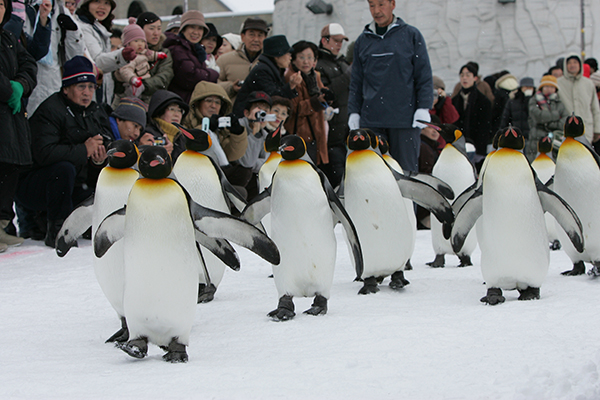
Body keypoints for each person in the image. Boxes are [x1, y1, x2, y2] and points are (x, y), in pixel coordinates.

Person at [15, 56, 111, 248]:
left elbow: (109, 141)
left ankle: (91, 226)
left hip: (73, 185)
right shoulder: (51, 110)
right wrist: (83, 149)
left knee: (102, 184)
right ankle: (58, 230)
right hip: (33, 186)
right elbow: (44, 153)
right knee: (63, 169)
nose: (87, 92)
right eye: (81, 87)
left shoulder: (95, 111)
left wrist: (99, 159)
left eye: (91, 87)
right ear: (66, 88)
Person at [348, 0, 433, 173]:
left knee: (406, 174)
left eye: (381, 4)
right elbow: (356, 81)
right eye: (372, 5)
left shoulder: (410, 35)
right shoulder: (363, 41)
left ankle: (409, 202)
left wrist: (424, 107)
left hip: (404, 120)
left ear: (392, 4)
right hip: (372, 120)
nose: (376, 11)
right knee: (374, 174)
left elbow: (423, 75)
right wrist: (354, 111)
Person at [0, 0, 37, 252]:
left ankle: (1, 225)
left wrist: (21, 85)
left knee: (9, 167)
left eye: (1, 4)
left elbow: (29, 64)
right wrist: (7, 89)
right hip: (5, 110)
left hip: (10, 118)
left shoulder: (8, 38)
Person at [24, 0, 87, 115]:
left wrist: (73, 32)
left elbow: (74, 57)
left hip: (52, 80)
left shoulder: (61, 10)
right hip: (25, 77)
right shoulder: (21, 6)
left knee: (50, 122)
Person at [183, 80, 247, 172]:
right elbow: (183, 146)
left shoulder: (221, 129)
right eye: (209, 101)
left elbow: (233, 155)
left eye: (217, 102)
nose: (213, 106)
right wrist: (205, 129)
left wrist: (238, 133)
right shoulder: (185, 121)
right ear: (197, 103)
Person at [316, 23, 351, 188]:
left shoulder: (342, 63)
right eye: (336, 40)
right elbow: (326, 94)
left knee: (347, 183)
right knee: (337, 186)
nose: (339, 44)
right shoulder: (318, 64)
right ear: (324, 40)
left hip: (345, 135)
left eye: (341, 41)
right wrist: (348, 76)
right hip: (329, 139)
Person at [284, 40, 330, 166]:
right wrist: (316, 102)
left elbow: (321, 96)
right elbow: (295, 108)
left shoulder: (314, 76)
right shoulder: (292, 77)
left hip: (316, 131)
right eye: (302, 57)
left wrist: (327, 97)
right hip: (300, 132)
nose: (306, 61)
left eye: (310, 57)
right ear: (293, 60)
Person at [77, 0, 131, 106]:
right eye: (97, 1)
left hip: (101, 97)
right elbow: (97, 63)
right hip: (87, 96)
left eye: (107, 3)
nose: (102, 7)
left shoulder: (100, 28)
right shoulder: (83, 28)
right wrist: (122, 55)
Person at [233, 35, 301, 118]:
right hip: (247, 120)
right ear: (277, 55)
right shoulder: (262, 71)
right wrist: (291, 85)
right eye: (288, 54)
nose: (290, 58)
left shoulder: (274, 69)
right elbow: (273, 98)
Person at [164, 10, 218, 104]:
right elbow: (190, 78)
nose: (196, 32)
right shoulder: (178, 49)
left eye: (200, 28)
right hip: (180, 103)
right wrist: (213, 73)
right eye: (192, 27)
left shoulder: (196, 50)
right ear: (183, 29)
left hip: (190, 101)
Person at [216, 17, 268, 104]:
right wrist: (231, 87)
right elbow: (214, 84)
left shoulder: (270, 60)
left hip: (262, 113)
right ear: (242, 37)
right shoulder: (224, 60)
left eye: (260, 35)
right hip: (232, 113)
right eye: (251, 35)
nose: (256, 39)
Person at [452, 62, 492, 169]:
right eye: (462, 75)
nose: (464, 78)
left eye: (468, 75)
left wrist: (480, 148)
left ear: (475, 78)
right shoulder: (454, 101)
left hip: (477, 148)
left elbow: (485, 127)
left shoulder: (483, 101)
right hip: (457, 147)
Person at [113, 22, 166, 101]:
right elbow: (125, 70)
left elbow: (151, 55)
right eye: (136, 41)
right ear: (128, 43)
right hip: (131, 84)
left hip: (144, 81)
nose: (140, 44)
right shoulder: (128, 57)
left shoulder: (144, 52)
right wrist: (133, 79)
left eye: (142, 41)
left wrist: (158, 55)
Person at [557, 53, 600, 145]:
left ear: (580, 65)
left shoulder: (588, 83)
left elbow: (595, 108)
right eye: (569, 63)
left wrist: (597, 129)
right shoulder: (558, 84)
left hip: (586, 128)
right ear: (565, 65)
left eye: (575, 62)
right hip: (564, 129)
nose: (572, 65)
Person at [236, 91, 273, 199]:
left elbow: (266, 164)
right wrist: (254, 134)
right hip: (234, 177)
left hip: (251, 180)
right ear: (246, 113)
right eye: (258, 110)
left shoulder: (265, 135)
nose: (261, 114)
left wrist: (253, 163)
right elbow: (246, 163)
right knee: (246, 173)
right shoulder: (237, 128)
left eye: (265, 111)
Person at [526, 74, 568, 162]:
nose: (549, 89)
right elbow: (538, 117)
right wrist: (556, 115)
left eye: (552, 87)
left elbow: (564, 121)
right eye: (546, 86)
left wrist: (548, 122)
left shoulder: (559, 102)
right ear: (541, 88)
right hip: (536, 140)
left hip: (554, 141)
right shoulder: (534, 100)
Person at [144, 89, 189, 159]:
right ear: (159, 111)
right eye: (172, 109)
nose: (177, 114)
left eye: (180, 111)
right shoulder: (148, 134)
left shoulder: (181, 138)